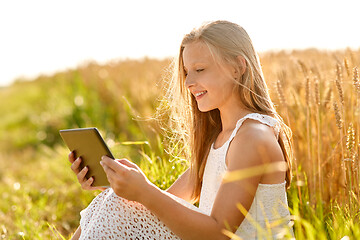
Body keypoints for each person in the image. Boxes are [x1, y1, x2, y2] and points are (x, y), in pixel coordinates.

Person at [68, 20, 294, 239]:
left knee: (114, 204)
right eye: (187, 72)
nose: (188, 82)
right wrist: (122, 186)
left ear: (238, 67)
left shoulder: (252, 137)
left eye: (200, 69)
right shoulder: (220, 139)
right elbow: (163, 206)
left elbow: (219, 234)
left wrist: (144, 191)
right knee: (112, 200)